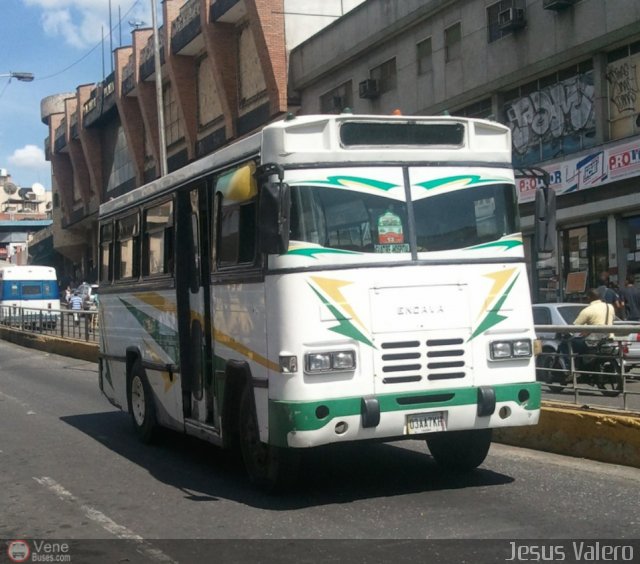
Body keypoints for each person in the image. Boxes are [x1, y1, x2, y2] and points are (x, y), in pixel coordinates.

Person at [558, 288, 615, 369]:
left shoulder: (587, 310)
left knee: (565, 344)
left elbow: (574, 327)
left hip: (592, 342)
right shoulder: (610, 307)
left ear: (589, 297)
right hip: (608, 338)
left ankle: (570, 368)